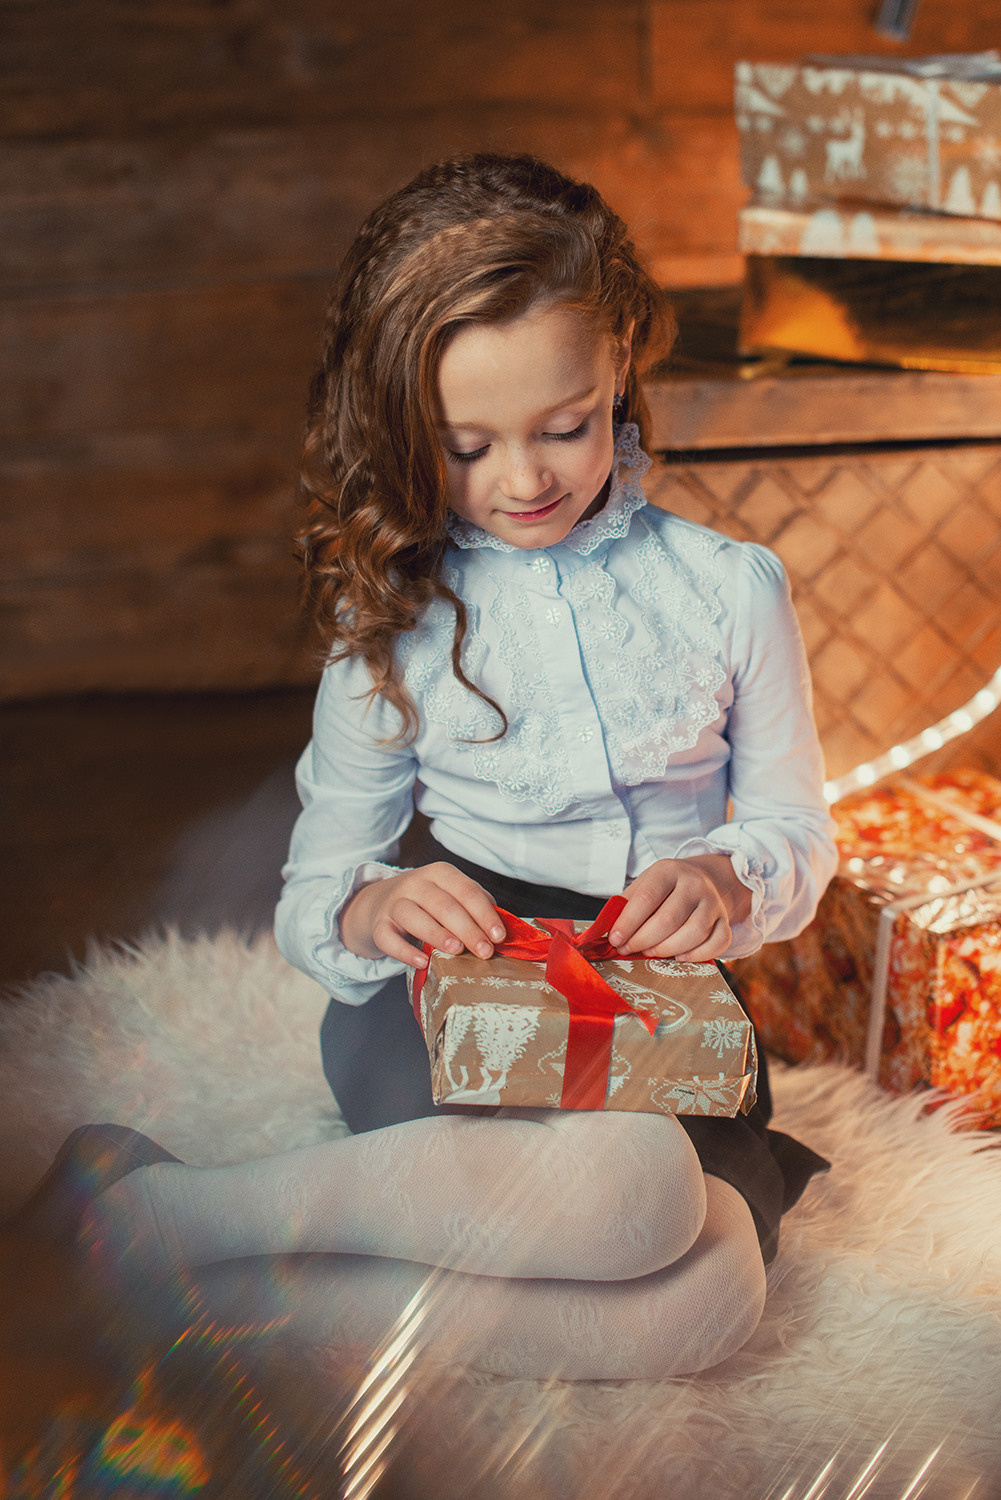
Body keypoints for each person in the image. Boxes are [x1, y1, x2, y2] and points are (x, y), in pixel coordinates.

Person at [15, 154, 837, 1381]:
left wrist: (727, 878)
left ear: (618, 362)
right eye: (464, 445)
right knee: (634, 1187)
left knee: (709, 1293)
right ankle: (181, 1215)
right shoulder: (392, 621)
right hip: (453, 983)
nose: (523, 479)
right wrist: (374, 906)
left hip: (655, 1005)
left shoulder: (728, 590)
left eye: (563, 426)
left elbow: (795, 833)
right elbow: (318, 891)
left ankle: (177, 1266)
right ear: (408, 426)